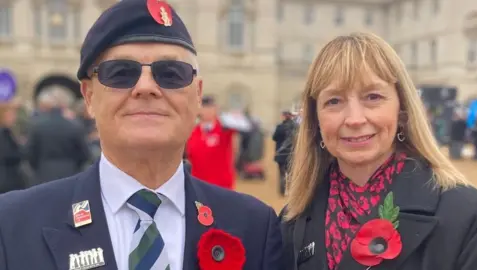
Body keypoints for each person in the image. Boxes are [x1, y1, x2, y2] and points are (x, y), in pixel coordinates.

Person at [0, 1, 282, 270]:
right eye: (121, 73)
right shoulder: (13, 225)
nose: (146, 87)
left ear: (197, 95)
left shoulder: (255, 227)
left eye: (171, 73)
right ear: (88, 96)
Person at [279, 32, 477, 270]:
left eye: (373, 97)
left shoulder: (467, 216)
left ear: (402, 109)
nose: (354, 119)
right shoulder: (294, 220)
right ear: (316, 120)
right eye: (334, 101)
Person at [25, 87, 91, 184]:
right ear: (64, 106)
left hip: (44, 173)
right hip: (70, 173)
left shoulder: (37, 126)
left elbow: (30, 153)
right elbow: (84, 154)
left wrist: (38, 167)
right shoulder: (74, 126)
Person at [186, 96, 251, 189]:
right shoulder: (192, 132)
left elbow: (246, 127)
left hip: (222, 185)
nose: (207, 111)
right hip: (198, 186)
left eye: (210, 108)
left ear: (216, 109)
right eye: (204, 108)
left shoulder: (225, 128)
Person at [0, 101, 25, 193]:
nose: (15, 118)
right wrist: (22, 150)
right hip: (6, 179)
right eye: (12, 114)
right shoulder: (4, 132)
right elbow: (8, 154)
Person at [273, 110, 297, 196]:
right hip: (292, 154)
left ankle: (282, 191)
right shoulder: (295, 127)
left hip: (280, 154)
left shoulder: (280, 127)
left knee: (282, 174)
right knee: (291, 173)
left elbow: (274, 137)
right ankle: (291, 191)